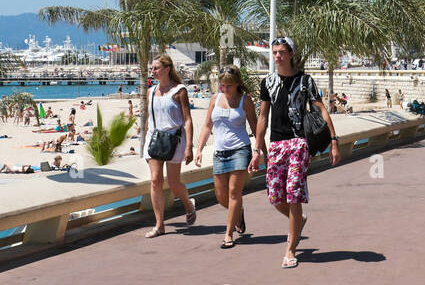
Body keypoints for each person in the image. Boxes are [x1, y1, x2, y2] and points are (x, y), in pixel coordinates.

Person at [255, 36, 340, 269]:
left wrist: (333, 141)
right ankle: (299, 220)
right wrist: (257, 149)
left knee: (293, 192)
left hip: (298, 143)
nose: (277, 56)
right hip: (276, 145)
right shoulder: (268, 82)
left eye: (281, 52)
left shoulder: (305, 81)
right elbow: (263, 117)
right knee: (275, 196)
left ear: (291, 54)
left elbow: (321, 109)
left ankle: (290, 248)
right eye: (274, 53)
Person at [195, 67, 257, 248]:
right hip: (220, 152)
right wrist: (199, 149)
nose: (225, 89)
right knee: (221, 195)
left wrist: (261, 151)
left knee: (233, 193)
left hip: (240, 149)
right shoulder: (215, 99)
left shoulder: (245, 101)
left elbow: (255, 127)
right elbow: (207, 126)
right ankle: (238, 213)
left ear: (237, 84)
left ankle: (228, 234)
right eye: (222, 85)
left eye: (229, 86)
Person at [141, 53, 196, 239]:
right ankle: (159, 224)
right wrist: (145, 140)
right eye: (152, 69)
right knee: (155, 180)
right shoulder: (151, 91)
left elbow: (187, 120)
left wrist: (189, 146)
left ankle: (188, 203)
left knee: (173, 183)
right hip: (154, 139)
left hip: (174, 140)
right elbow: (149, 117)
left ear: (167, 69)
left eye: (156, 68)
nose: (153, 71)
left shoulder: (179, 91)